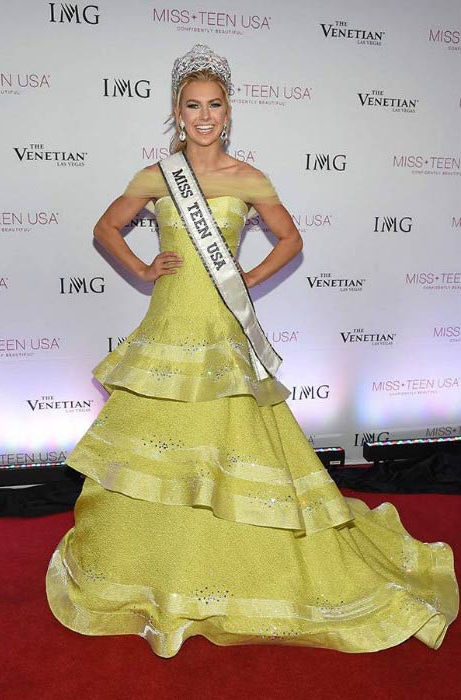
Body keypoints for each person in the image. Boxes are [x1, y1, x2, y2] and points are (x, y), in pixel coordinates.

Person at [46, 44, 459, 658]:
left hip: (221, 329)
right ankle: (162, 568)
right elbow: (105, 226)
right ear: (177, 112)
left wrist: (250, 277)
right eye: (193, 105)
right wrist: (140, 264)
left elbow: (290, 238)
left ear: (228, 111)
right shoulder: (156, 177)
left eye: (214, 105)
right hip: (168, 325)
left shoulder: (249, 178)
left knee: (233, 441)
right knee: (163, 446)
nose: (204, 115)